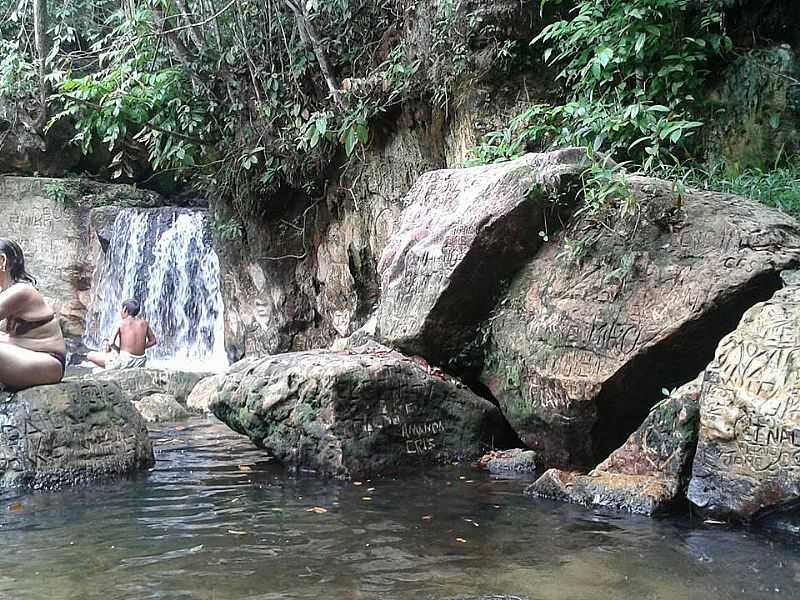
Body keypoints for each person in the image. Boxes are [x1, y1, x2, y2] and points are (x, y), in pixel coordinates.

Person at [0, 239, 66, 389]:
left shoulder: (21, 291)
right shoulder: (6, 293)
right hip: (25, 356)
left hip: (49, 362)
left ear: (2, 260)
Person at [86, 299, 157, 370]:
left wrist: (118, 350)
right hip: (140, 361)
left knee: (90, 355)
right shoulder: (144, 323)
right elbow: (153, 341)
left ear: (125, 309)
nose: (120, 311)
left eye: (121, 309)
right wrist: (140, 347)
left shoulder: (120, 323)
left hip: (124, 361)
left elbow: (111, 343)